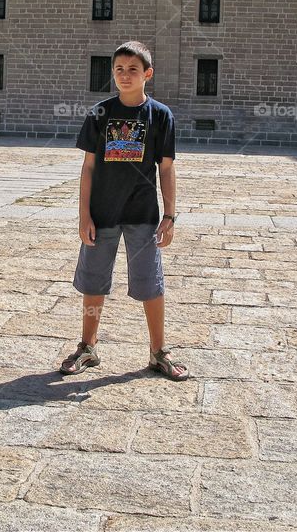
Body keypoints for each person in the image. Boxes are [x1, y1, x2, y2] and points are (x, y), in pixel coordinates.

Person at [60, 40, 189, 381]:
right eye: (119, 69)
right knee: (94, 281)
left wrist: (170, 216)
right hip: (101, 213)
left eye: (133, 69)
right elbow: (88, 168)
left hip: (142, 214)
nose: (125, 75)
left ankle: (158, 351)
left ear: (147, 73)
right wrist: (83, 215)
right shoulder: (100, 113)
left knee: (151, 283)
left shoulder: (161, 116)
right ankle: (88, 346)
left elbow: (167, 168)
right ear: (112, 74)